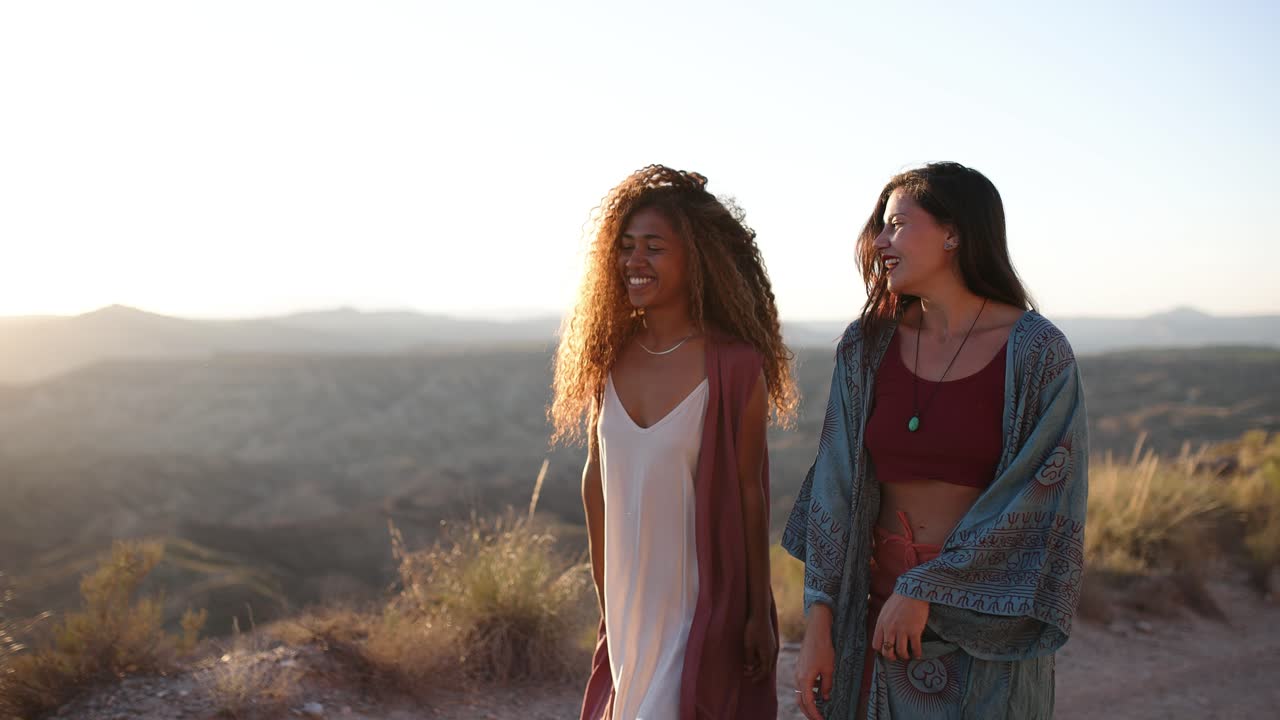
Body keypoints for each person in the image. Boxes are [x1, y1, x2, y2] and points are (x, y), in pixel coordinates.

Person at [782, 162, 1088, 719]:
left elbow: (1042, 498)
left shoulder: (1039, 354)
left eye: (896, 224)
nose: (879, 241)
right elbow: (835, 487)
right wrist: (819, 627)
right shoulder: (867, 346)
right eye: (880, 226)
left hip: (977, 629)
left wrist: (928, 587)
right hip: (869, 620)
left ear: (954, 234)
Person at [549, 164, 796, 720]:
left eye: (654, 247)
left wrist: (758, 611)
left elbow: (750, 493)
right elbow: (596, 477)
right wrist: (603, 590)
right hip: (627, 593)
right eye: (627, 245)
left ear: (698, 257)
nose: (634, 260)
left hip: (697, 601)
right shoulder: (605, 357)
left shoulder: (734, 367)